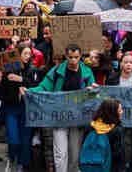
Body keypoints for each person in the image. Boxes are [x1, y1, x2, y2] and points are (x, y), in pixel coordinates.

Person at [31, 44, 98, 172]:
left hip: (77, 118)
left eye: (76, 57)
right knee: (60, 154)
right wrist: (30, 91)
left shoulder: (87, 72)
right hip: (59, 117)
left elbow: (94, 93)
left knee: (74, 153)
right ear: (66, 56)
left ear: (80, 57)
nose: (73, 60)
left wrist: (93, 90)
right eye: (70, 57)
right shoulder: (56, 71)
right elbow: (44, 87)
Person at [0, 44, 42, 172]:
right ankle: (12, 157)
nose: (28, 56)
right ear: (18, 54)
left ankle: (23, 165)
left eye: (29, 54)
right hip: (11, 108)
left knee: (25, 140)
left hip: (27, 109)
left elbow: (37, 85)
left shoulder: (33, 69)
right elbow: (1, 88)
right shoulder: (9, 67)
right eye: (25, 53)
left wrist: (21, 80)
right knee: (14, 138)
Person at [79, 98, 126, 172]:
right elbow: (119, 156)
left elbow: (83, 147)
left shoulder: (90, 126)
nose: (122, 112)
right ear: (113, 113)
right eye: (120, 110)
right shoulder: (117, 130)